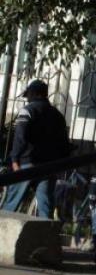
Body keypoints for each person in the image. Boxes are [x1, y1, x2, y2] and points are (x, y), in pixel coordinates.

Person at [2, 79, 70, 218]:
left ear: (36, 94)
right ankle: (46, 230)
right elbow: (63, 143)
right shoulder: (58, 115)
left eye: (29, 94)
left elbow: (20, 137)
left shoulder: (28, 111)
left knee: (11, 206)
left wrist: (14, 160)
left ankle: (3, 230)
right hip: (49, 166)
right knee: (45, 207)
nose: (27, 98)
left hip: (27, 163)